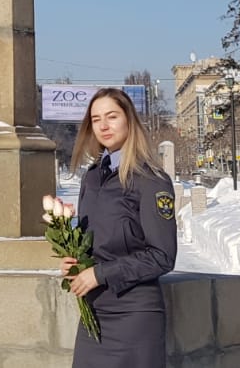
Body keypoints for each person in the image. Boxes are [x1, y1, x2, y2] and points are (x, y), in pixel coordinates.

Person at [60, 88, 177, 367]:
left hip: (134, 315)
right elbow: (95, 241)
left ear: (129, 120)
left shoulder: (150, 179)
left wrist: (101, 274)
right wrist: (76, 264)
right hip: (95, 312)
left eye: (112, 116)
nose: (103, 125)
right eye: (96, 118)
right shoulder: (91, 178)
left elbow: (162, 256)